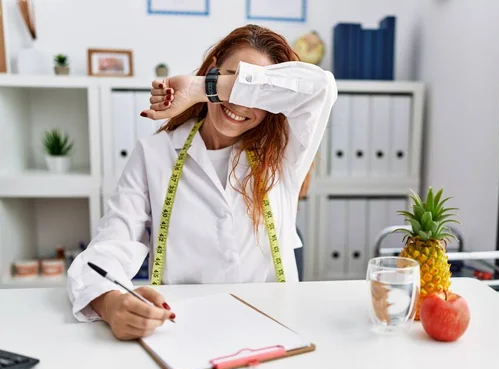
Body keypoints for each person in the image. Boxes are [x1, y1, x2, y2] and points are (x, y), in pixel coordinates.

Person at [67, 25, 337, 340]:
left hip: (273, 327)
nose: (240, 103)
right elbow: (112, 244)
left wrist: (204, 88)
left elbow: (321, 87)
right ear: (212, 71)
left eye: (255, 93)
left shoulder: (283, 153)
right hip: (184, 330)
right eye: (230, 78)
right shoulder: (155, 154)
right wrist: (109, 302)